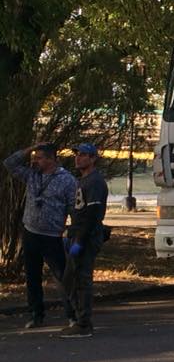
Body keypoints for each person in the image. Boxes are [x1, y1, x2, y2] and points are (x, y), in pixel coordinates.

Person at [3, 142, 77, 329]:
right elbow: (9, 164)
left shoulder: (66, 179)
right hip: (31, 232)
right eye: (34, 157)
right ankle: (36, 314)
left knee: (61, 276)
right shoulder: (32, 175)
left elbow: (72, 206)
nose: (35, 161)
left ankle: (73, 314)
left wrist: (72, 230)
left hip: (51, 235)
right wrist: (29, 149)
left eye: (40, 157)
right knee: (32, 276)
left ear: (52, 159)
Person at [61, 143, 108, 338]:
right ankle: (80, 319)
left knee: (80, 278)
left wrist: (80, 240)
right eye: (77, 155)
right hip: (75, 233)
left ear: (93, 158)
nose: (78, 158)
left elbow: (93, 214)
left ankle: (83, 323)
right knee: (70, 279)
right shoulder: (83, 180)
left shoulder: (95, 182)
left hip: (87, 236)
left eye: (83, 155)